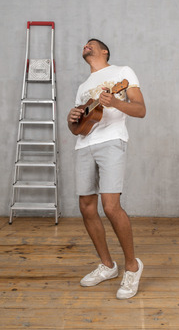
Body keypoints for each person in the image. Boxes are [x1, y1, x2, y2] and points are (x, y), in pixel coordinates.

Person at [67, 38, 146, 300]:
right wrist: (73, 117)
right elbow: (78, 125)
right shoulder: (83, 87)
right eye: (84, 45)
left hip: (112, 141)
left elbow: (140, 109)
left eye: (91, 44)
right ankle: (108, 266)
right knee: (86, 207)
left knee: (111, 206)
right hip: (84, 144)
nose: (85, 46)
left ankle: (132, 267)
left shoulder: (122, 73)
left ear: (104, 51)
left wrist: (115, 103)